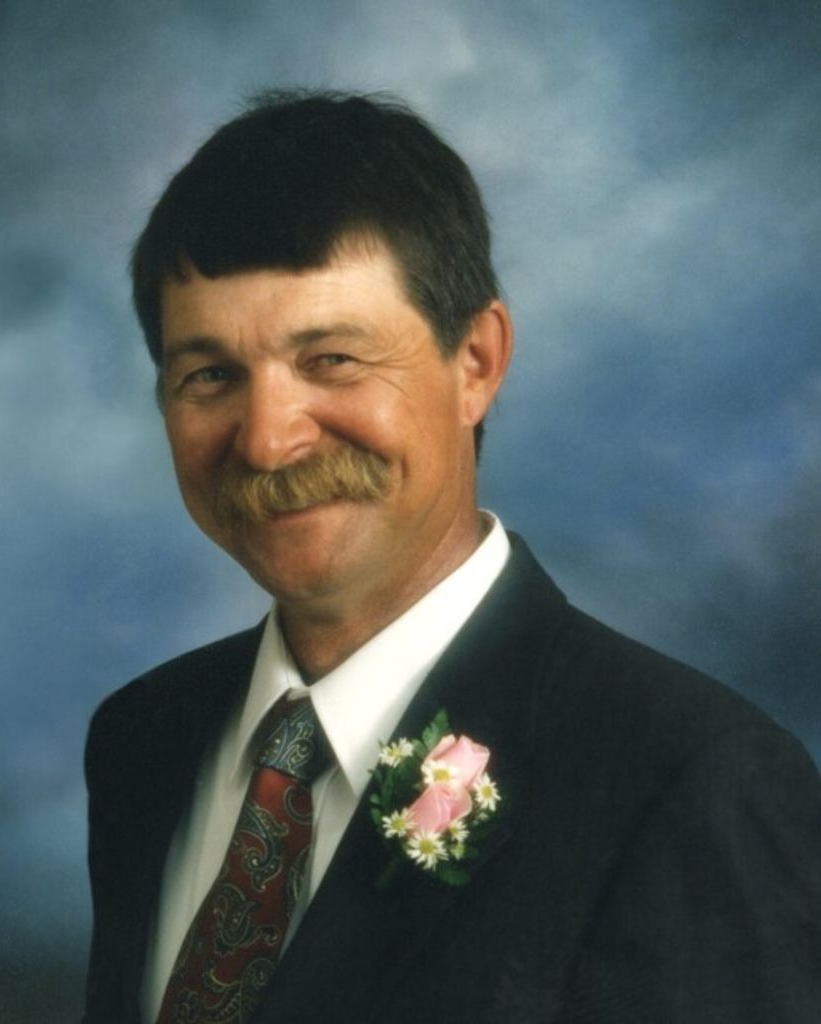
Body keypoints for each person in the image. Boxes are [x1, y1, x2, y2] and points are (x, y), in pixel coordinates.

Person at [83, 90, 821, 1024]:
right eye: (211, 375)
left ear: (476, 360)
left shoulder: (689, 781)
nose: (267, 441)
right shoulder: (143, 739)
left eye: (332, 359)